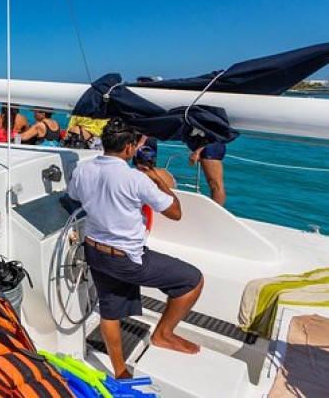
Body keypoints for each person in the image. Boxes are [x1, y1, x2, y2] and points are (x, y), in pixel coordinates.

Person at [68, 118, 203, 379]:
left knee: (110, 310)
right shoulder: (134, 179)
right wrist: (156, 179)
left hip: (95, 251)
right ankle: (163, 334)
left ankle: (120, 372)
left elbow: (74, 195)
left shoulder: (83, 169)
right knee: (192, 280)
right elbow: (175, 213)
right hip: (127, 259)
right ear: (130, 148)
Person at [187, 139, 226, 206]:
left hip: (209, 147)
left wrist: (197, 151)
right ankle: (214, 211)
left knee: (215, 184)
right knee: (213, 183)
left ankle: (215, 212)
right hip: (206, 147)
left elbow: (210, 132)